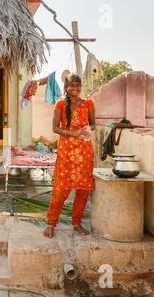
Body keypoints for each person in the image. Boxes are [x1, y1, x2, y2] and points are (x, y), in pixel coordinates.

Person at [43, 73, 96, 239]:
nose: (75, 88)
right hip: (66, 152)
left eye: (77, 85)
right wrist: (74, 133)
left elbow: (93, 123)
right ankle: (51, 223)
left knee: (82, 190)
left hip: (85, 152)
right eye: (71, 85)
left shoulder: (88, 103)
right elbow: (55, 128)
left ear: (81, 86)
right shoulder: (60, 104)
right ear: (66, 87)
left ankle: (76, 223)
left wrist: (89, 129)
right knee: (60, 189)